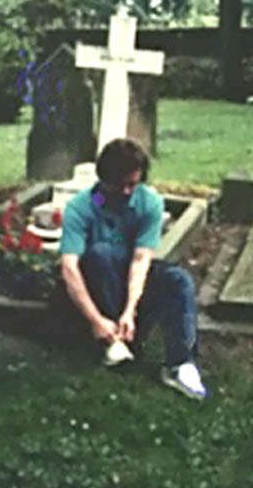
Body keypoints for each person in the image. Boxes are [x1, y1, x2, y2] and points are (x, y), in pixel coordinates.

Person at [59, 138, 207, 401]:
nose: (128, 191)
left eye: (133, 184)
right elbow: (69, 268)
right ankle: (111, 341)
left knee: (179, 279)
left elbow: (141, 260)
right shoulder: (80, 208)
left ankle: (180, 364)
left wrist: (130, 310)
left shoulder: (149, 202)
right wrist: (96, 320)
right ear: (104, 179)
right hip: (97, 284)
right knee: (101, 253)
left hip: (130, 280)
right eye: (121, 185)